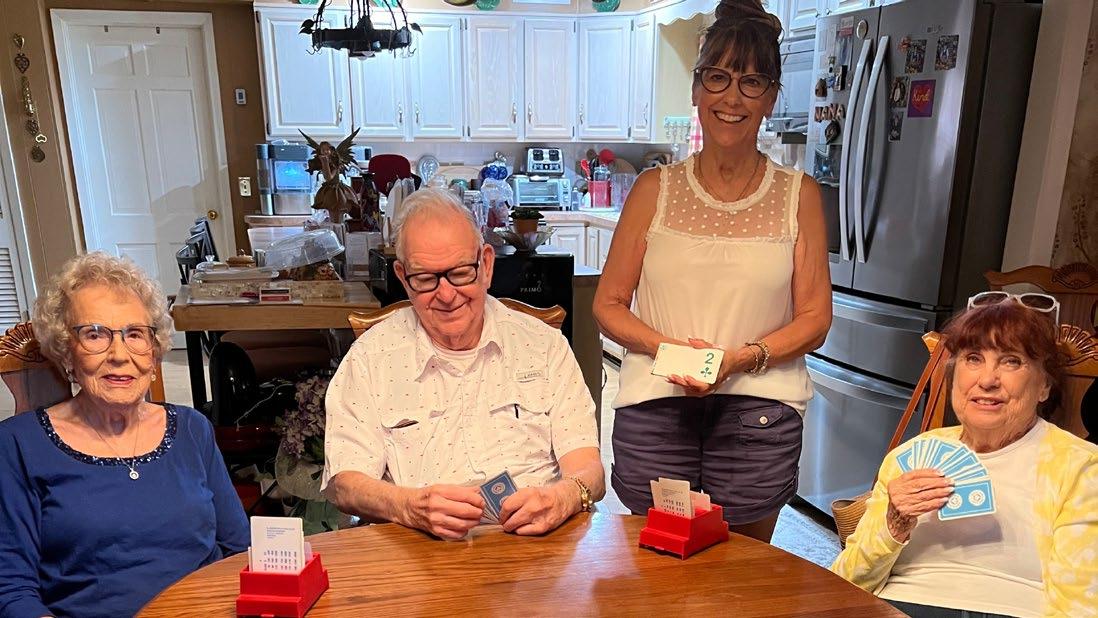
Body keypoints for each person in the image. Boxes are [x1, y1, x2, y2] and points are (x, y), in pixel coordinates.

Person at [592, 0, 831, 542]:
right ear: (697, 89)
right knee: (658, 560)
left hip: (760, 413)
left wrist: (737, 360)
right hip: (657, 403)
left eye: (751, 82)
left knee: (743, 569)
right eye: (718, 77)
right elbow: (607, 304)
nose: (731, 97)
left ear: (771, 97)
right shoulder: (653, 190)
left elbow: (816, 318)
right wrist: (672, 352)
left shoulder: (799, 196)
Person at [323, 188, 604, 540]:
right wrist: (408, 506)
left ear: (486, 265)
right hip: (419, 551)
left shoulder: (544, 346)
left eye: (459, 273)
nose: (446, 295)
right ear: (402, 276)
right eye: (425, 278)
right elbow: (344, 483)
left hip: (537, 547)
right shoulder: (370, 358)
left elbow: (590, 470)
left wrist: (562, 498)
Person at [0, 252, 248, 618]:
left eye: (134, 334)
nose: (119, 354)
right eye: (94, 334)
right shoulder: (18, 444)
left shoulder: (192, 429)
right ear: (66, 352)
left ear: (153, 351)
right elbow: (11, 589)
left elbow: (239, 549)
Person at [831, 298, 1098, 617]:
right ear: (954, 373)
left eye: (1011, 361)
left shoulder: (1080, 466)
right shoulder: (911, 456)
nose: (987, 380)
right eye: (973, 358)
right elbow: (845, 583)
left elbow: (1079, 605)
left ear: (1044, 386)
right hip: (897, 605)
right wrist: (893, 524)